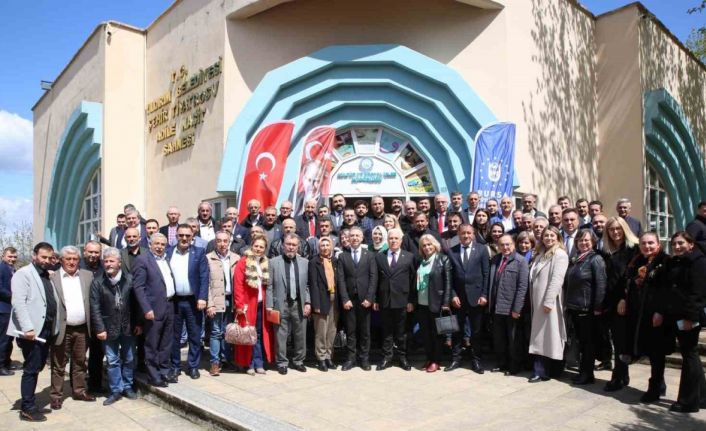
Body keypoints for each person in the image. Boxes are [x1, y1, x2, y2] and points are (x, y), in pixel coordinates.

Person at [7, 242, 60, 422]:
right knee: (31, 369)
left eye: (49, 258)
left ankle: (30, 403)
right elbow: (18, 303)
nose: (46, 260)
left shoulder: (46, 275)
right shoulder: (23, 274)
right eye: (43, 257)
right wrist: (27, 328)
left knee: (37, 367)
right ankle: (27, 408)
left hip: (46, 329)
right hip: (32, 331)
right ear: (34, 255)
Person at [623, 231, 671, 403]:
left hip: (656, 314)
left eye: (651, 243)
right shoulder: (637, 261)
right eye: (643, 243)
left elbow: (666, 290)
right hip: (640, 313)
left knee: (657, 353)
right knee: (650, 352)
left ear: (658, 244)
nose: (647, 246)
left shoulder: (664, 261)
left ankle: (654, 388)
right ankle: (660, 384)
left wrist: (660, 311)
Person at [660, 231, 706, 413]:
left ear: (690, 244)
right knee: (690, 354)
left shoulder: (698, 262)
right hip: (677, 314)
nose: (677, 247)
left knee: (689, 356)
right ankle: (702, 397)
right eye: (674, 244)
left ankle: (688, 402)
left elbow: (698, 293)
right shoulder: (677, 261)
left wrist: (690, 318)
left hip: (688, 316)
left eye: (681, 243)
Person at [89, 247, 141, 406]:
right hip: (108, 327)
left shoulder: (129, 280)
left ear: (119, 263)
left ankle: (127, 386)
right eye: (106, 261)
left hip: (128, 326)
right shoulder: (98, 282)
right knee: (112, 360)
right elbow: (95, 307)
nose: (108, 264)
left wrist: (138, 323)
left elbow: (137, 304)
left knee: (129, 358)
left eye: (112, 261)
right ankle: (116, 390)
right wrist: (100, 328)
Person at [50, 246, 96, 409]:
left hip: (83, 328)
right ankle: (56, 396)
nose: (71, 262)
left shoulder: (87, 275)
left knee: (80, 362)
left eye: (75, 259)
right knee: (59, 364)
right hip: (62, 328)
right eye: (68, 259)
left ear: (79, 260)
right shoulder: (53, 277)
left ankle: (79, 391)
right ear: (61, 260)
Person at [133, 233, 176, 387]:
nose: (159, 247)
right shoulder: (142, 260)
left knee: (166, 341)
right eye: (156, 244)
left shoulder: (166, 259)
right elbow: (138, 287)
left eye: (163, 244)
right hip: (153, 308)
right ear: (150, 244)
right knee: (152, 343)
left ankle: (164, 371)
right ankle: (153, 375)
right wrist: (146, 309)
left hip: (169, 305)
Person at [564, 229, 607, 385]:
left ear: (593, 242)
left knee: (588, 343)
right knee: (581, 342)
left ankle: (587, 374)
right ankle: (583, 371)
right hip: (575, 307)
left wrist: (597, 307)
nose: (583, 243)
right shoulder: (576, 259)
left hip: (587, 308)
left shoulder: (596, 259)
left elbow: (601, 284)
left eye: (586, 240)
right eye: (580, 240)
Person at [601, 216, 639, 392]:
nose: (615, 232)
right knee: (617, 341)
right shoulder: (607, 251)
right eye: (611, 229)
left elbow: (632, 277)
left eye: (618, 229)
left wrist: (624, 298)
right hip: (610, 301)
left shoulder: (633, 250)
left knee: (622, 341)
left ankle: (618, 376)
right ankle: (622, 375)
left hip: (625, 301)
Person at [166, 224, 209, 380]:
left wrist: (202, 297)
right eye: (181, 235)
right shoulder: (168, 252)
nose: (184, 238)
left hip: (193, 301)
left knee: (194, 335)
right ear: (176, 236)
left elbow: (204, 276)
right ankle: (175, 367)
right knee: (174, 336)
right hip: (174, 301)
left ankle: (193, 367)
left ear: (192, 237)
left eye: (187, 236)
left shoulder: (199, 252)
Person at [528, 226, 569, 383]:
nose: (549, 238)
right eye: (546, 235)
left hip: (548, 303)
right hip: (537, 301)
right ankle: (546, 370)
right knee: (541, 337)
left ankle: (542, 371)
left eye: (552, 235)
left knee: (547, 337)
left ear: (558, 237)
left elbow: (557, 280)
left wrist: (549, 301)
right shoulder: (540, 254)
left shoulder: (560, 254)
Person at [447, 224, 490, 373]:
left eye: (469, 233)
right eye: (463, 233)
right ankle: (456, 359)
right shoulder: (451, 251)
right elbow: (449, 277)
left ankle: (476, 360)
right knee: (456, 330)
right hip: (458, 298)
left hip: (476, 297)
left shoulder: (482, 249)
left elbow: (486, 274)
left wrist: (484, 295)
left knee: (476, 331)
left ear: (473, 234)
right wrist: (453, 295)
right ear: (458, 234)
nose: (466, 236)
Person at [267, 234, 311, 375]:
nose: (291, 247)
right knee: (280, 335)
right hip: (281, 304)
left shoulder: (305, 262)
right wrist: (269, 305)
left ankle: (299, 361)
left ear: (298, 246)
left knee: (300, 334)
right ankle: (282, 362)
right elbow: (269, 286)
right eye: (288, 244)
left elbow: (308, 285)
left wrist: (308, 302)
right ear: (283, 245)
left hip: (299, 303)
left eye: (294, 245)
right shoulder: (273, 262)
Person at [374, 228, 416, 371]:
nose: (393, 241)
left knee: (401, 332)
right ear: (387, 240)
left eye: (396, 238)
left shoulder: (409, 257)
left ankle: (402, 357)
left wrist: (411, 300)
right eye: (391, 238)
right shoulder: (379, 256)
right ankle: (387, 357)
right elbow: (376, 279)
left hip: (402, 300)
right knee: (386, 331)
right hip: (385, 300)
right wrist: (375, 299)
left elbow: (413, 280)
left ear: (401, 240)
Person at [337, 227, 378, 371]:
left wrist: (369, 298)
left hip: (364, 299)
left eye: (357, 236)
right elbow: (340, 279)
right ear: (348, 238)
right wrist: (344, 299)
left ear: (361, 238)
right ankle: (351, 358)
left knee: (365, 331)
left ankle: (364, 358)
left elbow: (373, 277)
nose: (354, 238)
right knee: (351, 331)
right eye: (352, 236)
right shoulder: (343, 256)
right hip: (349, 300)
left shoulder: (370, 255)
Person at [488, 234, 529, 376]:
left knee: (513, 340)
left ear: (513, 245)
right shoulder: (495, 259)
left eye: (508, 244)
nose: (505, 247)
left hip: (511, 308)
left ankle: (514, 366)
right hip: (496, 307)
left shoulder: (520, 261)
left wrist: (517, 308)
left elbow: (522, 287)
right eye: (502, 245)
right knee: (499, 339)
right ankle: (502, 364)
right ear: (498, 246)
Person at [234, 235, 274, 375]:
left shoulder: (265, 262)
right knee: (248, 334)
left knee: (259, 334)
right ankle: (248, 363)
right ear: (252, 246)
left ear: (265, 249)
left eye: (261, 247)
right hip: (247, 305)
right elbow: (238, 284)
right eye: (256, 246)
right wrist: (239, 304)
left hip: (261, 304)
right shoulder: (243, 262)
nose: (258, 249)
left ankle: (259, 362)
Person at [415, 234, 452, 373]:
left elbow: (448, 282)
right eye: (424, 245)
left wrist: (446, 302)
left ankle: (436, 361)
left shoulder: (443, 259)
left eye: (429, 244)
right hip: (422, 303)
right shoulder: (421, 261)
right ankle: (429, 358)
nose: (427, 247)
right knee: (425, 334)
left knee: (437, 334)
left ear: (434, 245)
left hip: (437, 302)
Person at [206, 231, 240, 376]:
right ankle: (215, 362)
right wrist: (210, 304)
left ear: (229, 242)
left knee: (228, 332)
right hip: (216, 300)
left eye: (225, 241)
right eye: (219, 241)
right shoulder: (208, 258)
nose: (222, 244)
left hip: (232, 300)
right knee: (216, 332)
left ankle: (226, 359)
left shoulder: (236, 258)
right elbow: (206, 284)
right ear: (215, 242)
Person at [308, 237, 339, 372]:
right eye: (323, 245)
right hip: (321, 300)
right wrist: (315, 304)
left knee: (332, 330)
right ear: (318, 248)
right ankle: (321, 358)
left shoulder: (335, 261)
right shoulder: (314, 262)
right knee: (321, 331)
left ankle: (328, 356)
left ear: (331, 247)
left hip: (335, 301)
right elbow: (313, 284)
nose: (325, 247)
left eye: (327, 245)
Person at [0, 247, 18, 375]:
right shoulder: (1, 268)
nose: (12, 259)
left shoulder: (12, 269)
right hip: (3, 309)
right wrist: (14, 296)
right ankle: (1, 366)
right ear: (3, 256)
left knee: (9, 338)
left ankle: (6, 362)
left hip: (11, 309)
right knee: (3, 339)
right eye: (10, 256)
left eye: (14, 257)